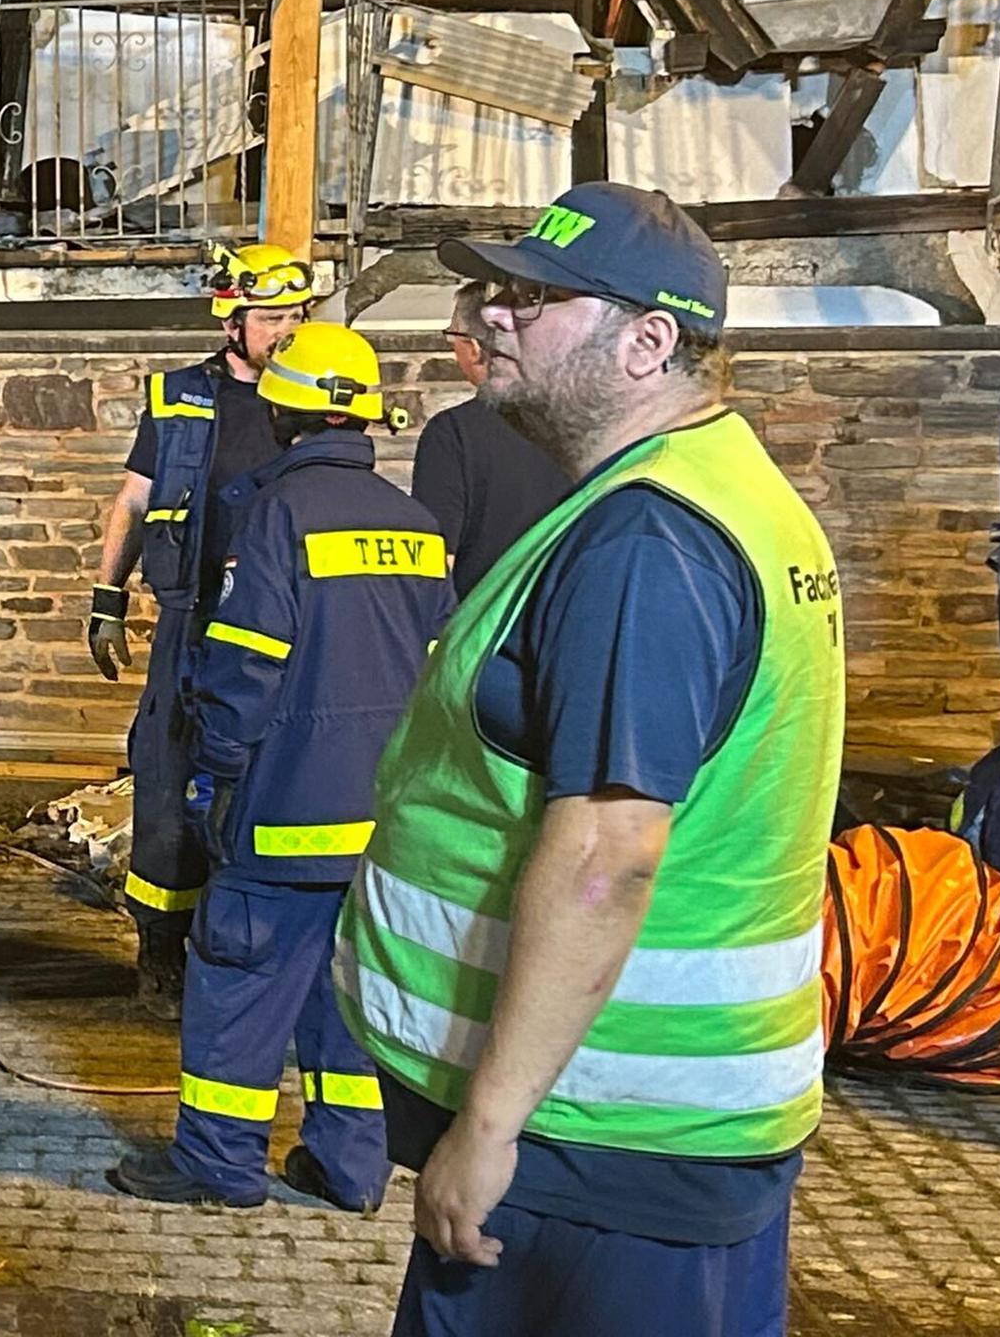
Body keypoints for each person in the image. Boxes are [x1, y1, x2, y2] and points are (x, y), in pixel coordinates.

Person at [346, 184, 840, 1337]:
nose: (491, 315)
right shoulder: (702, 495)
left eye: (532, 296)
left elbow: (608, 854)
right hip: (636, 1131)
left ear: (647, 342)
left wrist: (489, 1129)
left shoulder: (650, 542)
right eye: (492, 289)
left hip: (600, 1140)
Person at [108, 323, 448, 1213]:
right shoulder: (416, 527)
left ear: (284, 408)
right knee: (351, 999)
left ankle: (219, 1163)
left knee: (241, 980)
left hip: (283, 809)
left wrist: (212, 772)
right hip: (386, 823)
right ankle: (349, 1166)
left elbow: (246, 665)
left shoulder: (276, 517)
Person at [87, 241, 314, 1005]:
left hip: (277, 624)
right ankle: (160, 954)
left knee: (258, 786)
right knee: (167, 781)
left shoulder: (315, 397)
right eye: (272, 316)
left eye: (295, 314)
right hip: (191, 624)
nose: (287, 330)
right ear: (232, 320)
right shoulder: (181, 397)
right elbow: (133, 500)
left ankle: (245, 950)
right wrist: (107, 597)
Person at [413, 283, 575, 598]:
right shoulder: (580, 426)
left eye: (453, 338)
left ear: (474, 347)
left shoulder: (453, 433)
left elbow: (436, 560)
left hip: (483, 629)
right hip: (565, 620)